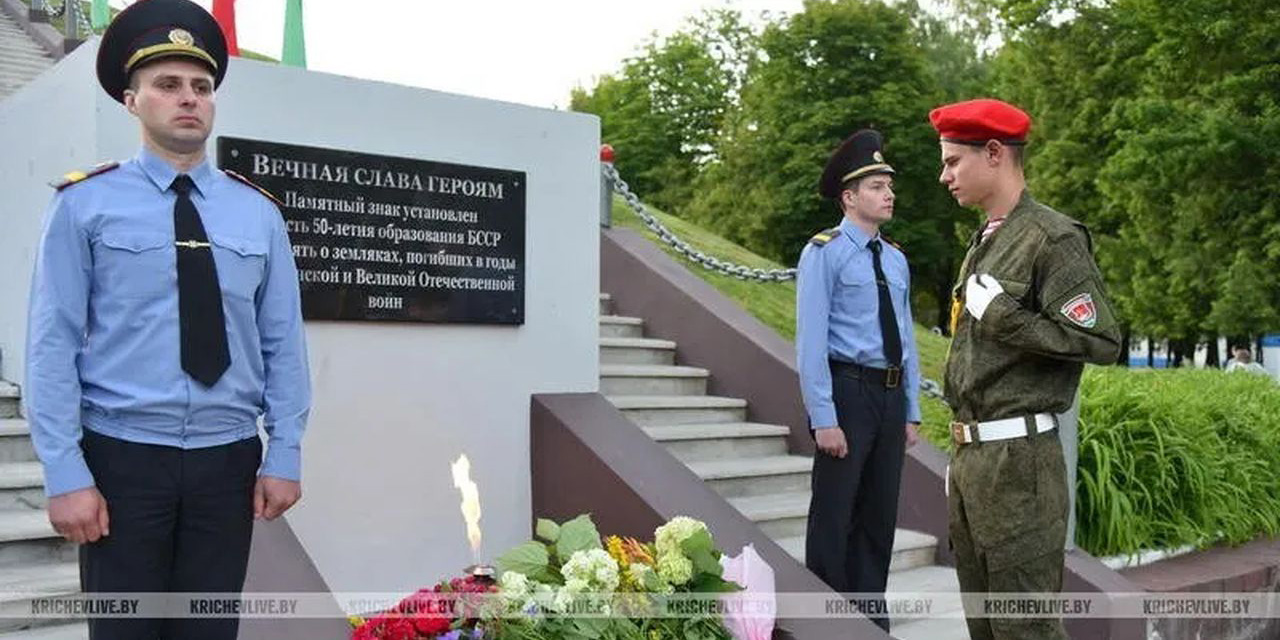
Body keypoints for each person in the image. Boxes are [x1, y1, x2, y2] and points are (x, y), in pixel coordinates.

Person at [24, 1, 311, 638]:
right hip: (122, 460)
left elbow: (283, 342)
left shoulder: (257, 214)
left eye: (201, 87)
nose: (189, 99)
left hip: (226, 462)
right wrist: (66, 472)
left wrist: (284, 450)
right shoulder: (85, 205)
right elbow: (52, 345)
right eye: (168, 85)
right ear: (132, 101)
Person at [931, 98, 1121, 640]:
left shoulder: (1051, 238)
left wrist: (1008, 319)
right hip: (974, 459)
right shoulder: (983, 244)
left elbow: (1101, 340)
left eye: (952, 161)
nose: (944, 175)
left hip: (1019, 465)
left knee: (1025, 628)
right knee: (985, 628)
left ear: (994, 153)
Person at [796, 129, 921, 633]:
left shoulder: (895, 258)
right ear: (849, 197)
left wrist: (911, 408)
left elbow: (906, 337)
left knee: (877, 519)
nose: (888, 193)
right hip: (847, 393)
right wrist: (823, 417)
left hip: (890, 399)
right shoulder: (824, 252)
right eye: (875, 185)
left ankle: (871, 624)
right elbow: (810, 342)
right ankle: (826, 625)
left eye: (888, 184)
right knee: (834, 516)